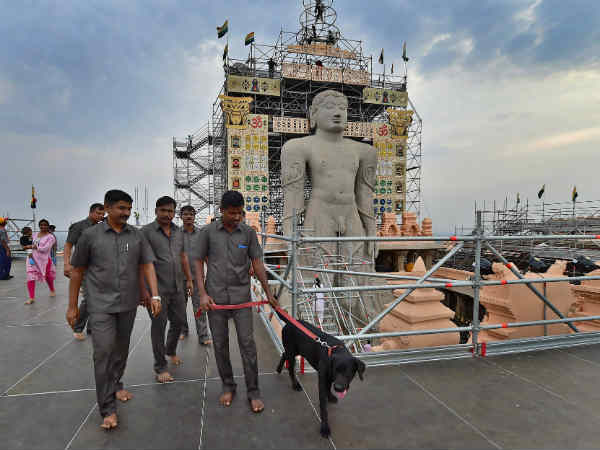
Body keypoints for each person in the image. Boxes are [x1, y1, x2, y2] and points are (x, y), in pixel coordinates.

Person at [66, 189, 161, 430]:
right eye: (121, 208)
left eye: (128, 208)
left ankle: (116, 383)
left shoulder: (137, 236)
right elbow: (77, 271)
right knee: (103, 353)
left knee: (120, 350)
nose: (126, 213)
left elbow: (147, 265)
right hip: (100, 305)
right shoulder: (89, 236)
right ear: (107, 208)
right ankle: (107, 409)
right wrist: (72, 306)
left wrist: (154, 295)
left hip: (128, 304)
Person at [194, 190, 279, 413]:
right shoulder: (207, 233)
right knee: (220, 344)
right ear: (221, 210)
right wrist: (202, 294)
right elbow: (197, 262)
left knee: (248, 344)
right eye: (232, 213)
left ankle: (253, 391)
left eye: (240, 213)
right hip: (215, 299)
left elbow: (257, 262)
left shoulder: (248, 233)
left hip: (241, 298)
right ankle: (228, 386)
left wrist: (268, 293)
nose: (237, 217)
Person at [141, 196, 193, 383]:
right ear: (156, 211)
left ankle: (170, 350)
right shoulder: (146, 232)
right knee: (159, 326)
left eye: (170, 211)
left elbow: (183, 257)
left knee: (179, 321)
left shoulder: (179, 232)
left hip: (178, 286)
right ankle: (160, 367)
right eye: (163, 210)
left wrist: (189, 280)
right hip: (157, 290)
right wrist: (144, 291)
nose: (167, 214)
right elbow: (141, 263)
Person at [64, 203, 105, 340]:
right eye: (98, 213)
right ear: (91, 212)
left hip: (99, 268)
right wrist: (66, 264)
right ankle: (78, 327)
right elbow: (68, 245)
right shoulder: (78, 226)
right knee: (90, 298)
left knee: (98, 297)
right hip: (82, 268)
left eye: (103, 214)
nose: (101, 216)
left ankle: (92, 327)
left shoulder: (102, 227)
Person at [177, 205, 211, 345]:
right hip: (180, 277)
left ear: (194, 216)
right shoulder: (175, 234)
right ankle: (183, 330)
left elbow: (207, 254)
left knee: (200, 306)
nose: (189, 216)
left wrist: (211, 270)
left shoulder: (201, 234)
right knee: (180, 307)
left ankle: (203, 336)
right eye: (185, 214)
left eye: (191, 214)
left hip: (198, 277)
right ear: (181, 216)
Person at [25, 219, 57, 304]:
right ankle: (31, 297)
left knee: (47, 276)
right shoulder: (34, 235)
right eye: (41, 225)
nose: (43, 226)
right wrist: (28, 250)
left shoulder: (51, 237)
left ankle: (52, 289)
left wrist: (35, 247)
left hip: (44, 260)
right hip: (32, 259)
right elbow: (29, 244)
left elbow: (46, 248)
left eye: (45, 225)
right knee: (30, 276)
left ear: (48, 226)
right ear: (39, 226)